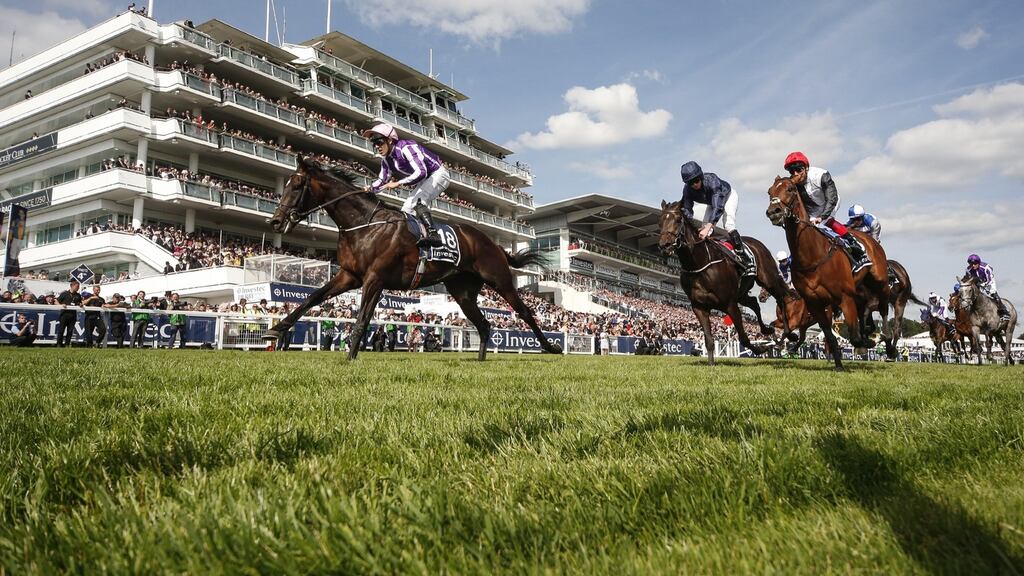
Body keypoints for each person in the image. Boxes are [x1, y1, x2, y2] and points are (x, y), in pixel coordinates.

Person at [362, 123, 449, 247]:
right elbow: (382, 180)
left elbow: (421, 172)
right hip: (425, 180)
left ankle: (434, 235)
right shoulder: (387, 160)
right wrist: (369, 189)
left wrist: (397, 183)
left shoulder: (406, 147)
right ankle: (415, 241)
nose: (377, 147)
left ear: (390, 140)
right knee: (406, 210)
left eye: (379, 142)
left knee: (418, 202)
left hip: (438, 173)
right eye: (374, 144)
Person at [783, 151, 870, 272]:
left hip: (829, 202)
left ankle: (855, 245)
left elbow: (831, 198)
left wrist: (822, 216)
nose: (795, 174)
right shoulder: (793, 183)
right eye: (792, 172)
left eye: (798, 169)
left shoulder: (821, 175)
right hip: (812, 208)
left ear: (806, 168)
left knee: (825, 222)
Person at [678, 161, 754, 276]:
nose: (694, 185)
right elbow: (687, 209)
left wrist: (709, 225)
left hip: (727, 197)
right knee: (704, 234)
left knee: (728, 225)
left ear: (701, 176)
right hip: (710, 203)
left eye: (696, 180)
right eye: (690, 183)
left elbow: (718, 206)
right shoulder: (687, 190)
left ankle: (744, 257)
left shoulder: (712, 180)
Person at [963, 254, 1010, 323]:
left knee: (993, 294)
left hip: (989, 282)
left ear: (978, 263)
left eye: (975, 264)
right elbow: (969, 280)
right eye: (971, 264)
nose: (973, 266)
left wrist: (984, 285)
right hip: (978, 283)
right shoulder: (968, 269)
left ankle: (1004, 312)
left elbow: (989, 279)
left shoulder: (986, 267)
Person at [56, 280, 83, 347]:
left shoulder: (78, 295)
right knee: (61, 330)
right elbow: (56, 301)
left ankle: (67, 344)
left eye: (78, 287)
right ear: (72, 286)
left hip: (73, 315)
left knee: (70, 331)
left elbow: (80, 303)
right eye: (77, 286)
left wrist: (80, 304)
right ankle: (59, 344)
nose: (78, 288)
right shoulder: (64, 293)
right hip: (64, 315)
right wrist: (61, 305)